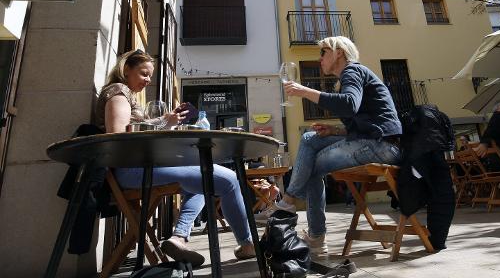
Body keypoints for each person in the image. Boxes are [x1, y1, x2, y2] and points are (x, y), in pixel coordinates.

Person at [96, 49, 255, 266]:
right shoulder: (118, 91)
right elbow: (117, 135)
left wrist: (165, 122)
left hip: (141, 167)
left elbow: (137, 131)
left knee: (202, 180)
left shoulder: (126, 95)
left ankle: (179, 238)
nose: (148, 80)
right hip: (131, 170)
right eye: (144, 74)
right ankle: (247, 244)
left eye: (150, 75)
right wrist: (163, 122)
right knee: (229, 180)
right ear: (126, 69)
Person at [258, 36, 402, 254]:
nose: (320, 59)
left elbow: (349, 105)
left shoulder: (352, 71)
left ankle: (295, 212)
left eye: (323, 52)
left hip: (380, 145)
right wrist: (335, 130)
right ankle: (301, 219)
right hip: (380, 142)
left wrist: (304, 91)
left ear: (339, 53)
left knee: (311, 166)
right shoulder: (353, 75)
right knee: (309, 140)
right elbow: (364, 122)